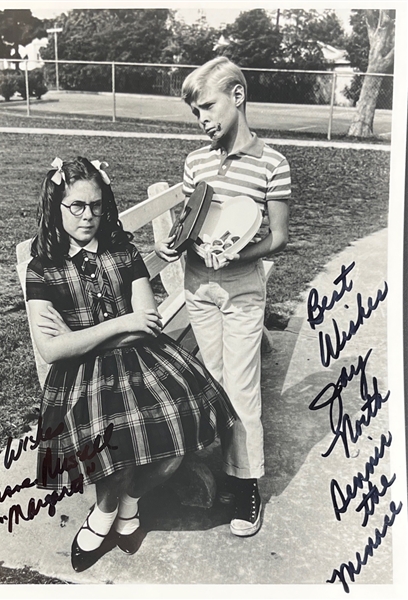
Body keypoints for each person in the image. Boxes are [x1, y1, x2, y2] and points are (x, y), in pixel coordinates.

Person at [25, 155, 236, 572]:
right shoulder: (44, 268)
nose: (88, 216)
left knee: (179, 435)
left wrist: (81, 336)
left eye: (97, 205)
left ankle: (128, 505)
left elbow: (149, 326)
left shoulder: (122, 253)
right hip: (81, 378)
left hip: (142, 361)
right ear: (56, 206)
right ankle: (105, 518)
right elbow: (52, 350)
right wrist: (122, 323)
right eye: (77, 206)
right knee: (116, 437)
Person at [155, 57, 291, 538]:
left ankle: (247, 485)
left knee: (242, 387)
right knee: (210, 384)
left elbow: (277, 238)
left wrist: (237, 253)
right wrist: (170, 242)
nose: (203, 119)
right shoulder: (196, 162)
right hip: (197, 289)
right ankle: (215, 471)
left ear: (237, 97)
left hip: (241, 293)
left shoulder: (272, 164)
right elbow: (187, 226)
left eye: (208, 106)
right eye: (195, 113)